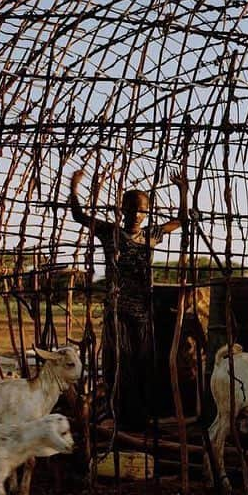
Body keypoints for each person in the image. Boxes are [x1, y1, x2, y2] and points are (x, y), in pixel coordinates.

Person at [69, 171, 185, 428]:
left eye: (141, 211)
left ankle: (140, 417)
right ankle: (119, 413)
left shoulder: (150, 235)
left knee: (143, 363)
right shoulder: (110, 232)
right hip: (117, 310)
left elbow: (181, 220)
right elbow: (79, 216)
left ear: (147, 213)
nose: (136, 216)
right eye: (131, 210)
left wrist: (182, 191)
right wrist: (74, 187)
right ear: (122, 210)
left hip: (143, 311)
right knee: (120, 364)